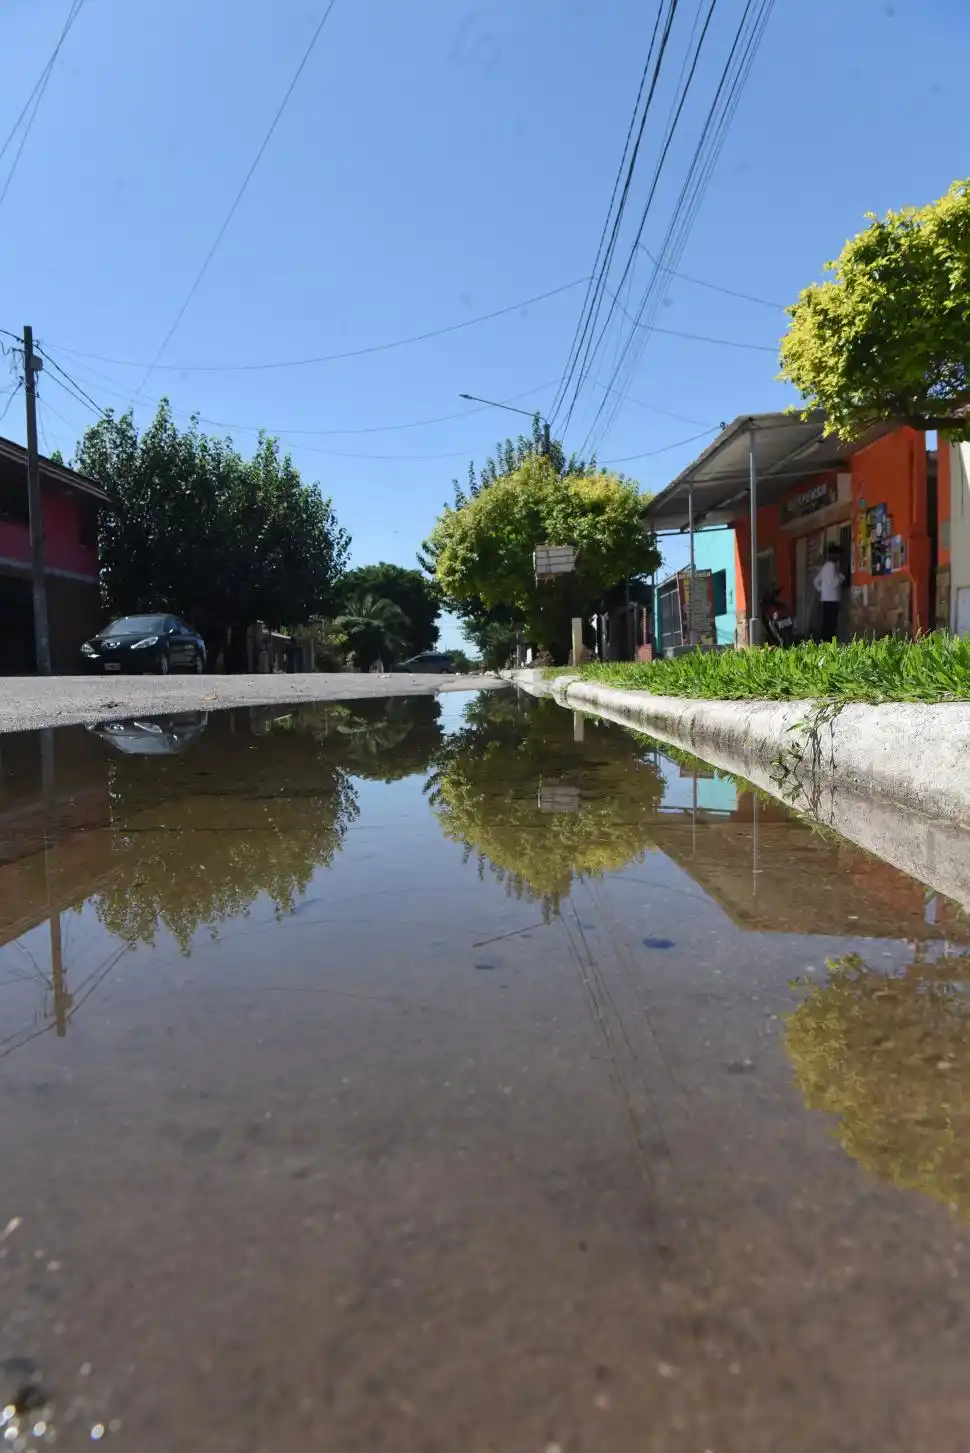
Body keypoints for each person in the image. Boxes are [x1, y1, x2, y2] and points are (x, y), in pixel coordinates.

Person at [814, 545, 845, 640]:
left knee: (826, 622)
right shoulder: (832, 567)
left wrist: (822, 590)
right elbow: (835, 582)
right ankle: (829, 642)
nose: (840, 558)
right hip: (833, 599)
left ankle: (825, 641)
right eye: (839, 555)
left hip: (825, 599)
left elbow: (815, 581)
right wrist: (842, 576)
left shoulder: (825, 567)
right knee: (832, 623)